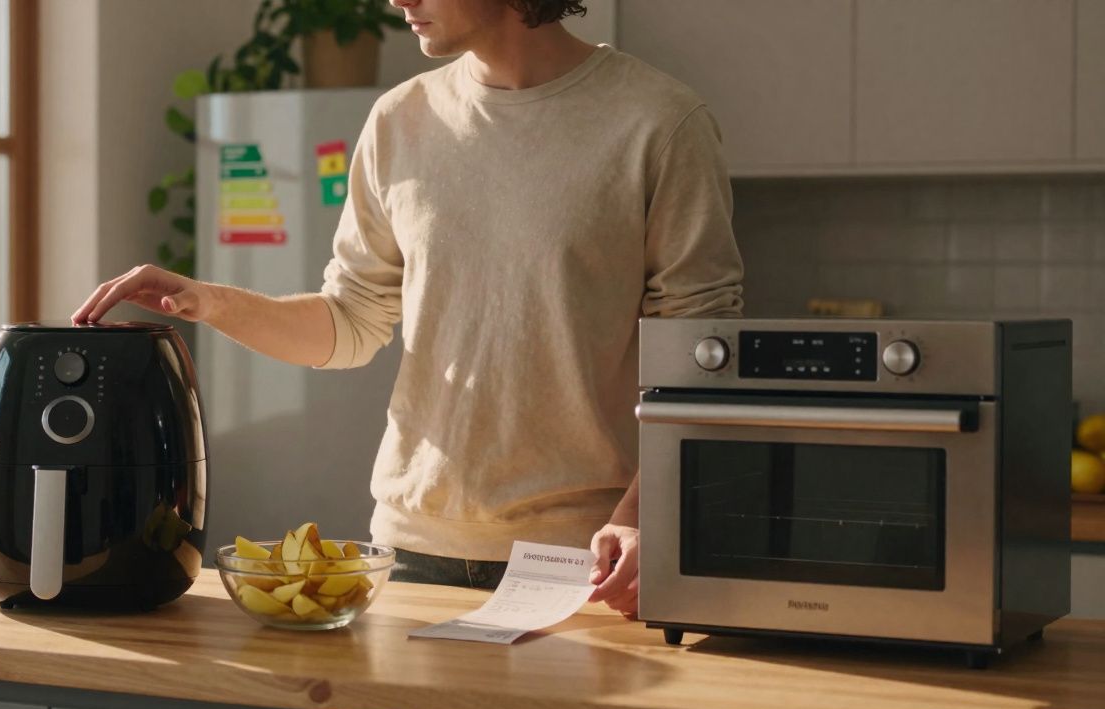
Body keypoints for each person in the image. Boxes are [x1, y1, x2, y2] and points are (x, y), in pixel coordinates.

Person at [73, 0, 743, 618]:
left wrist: (640, 516)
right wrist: (209, 301)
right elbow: (350, 321)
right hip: (412, 550)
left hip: (585, 560)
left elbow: (699, 360)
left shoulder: (659, 122)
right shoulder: (401, 119)